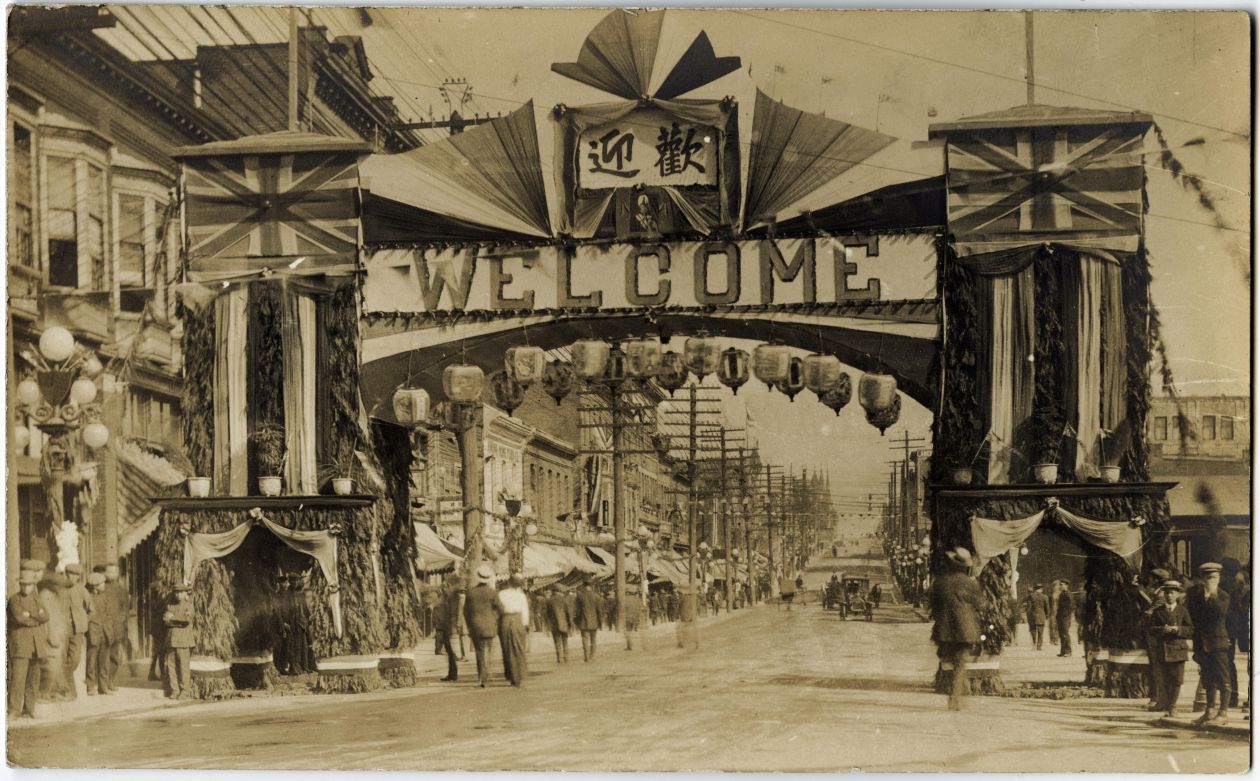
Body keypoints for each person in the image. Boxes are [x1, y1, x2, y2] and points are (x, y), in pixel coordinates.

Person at [930, 547, 984, 711]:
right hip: (966, 630)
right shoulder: (970, 583)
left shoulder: (940, 582)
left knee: (950, 662)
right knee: (961, 664)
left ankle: (956, 693)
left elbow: (933, 604)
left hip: (945, 630)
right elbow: (981, 605)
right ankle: (955, 698)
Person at [1186, 561, 1232, 724]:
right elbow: (1192, 615)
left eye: (1213, 577)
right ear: (1202, 578)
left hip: (1218, 643)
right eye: (1206, 577)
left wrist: (1211, 596)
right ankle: (1210, 711)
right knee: (1207, 678)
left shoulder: (1223, 596)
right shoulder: (1195, 595)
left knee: (1223, 678)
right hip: (1201, 643)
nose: (1210, 581)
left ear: (1219, 578)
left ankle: (1223, 713)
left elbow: (1219, 614)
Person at [8, 564, 50, 719]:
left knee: (33, 679)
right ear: (20, 584)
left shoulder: (37, 599)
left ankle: (29, 709)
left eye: (29, 585)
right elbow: (20, 618)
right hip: (20, 646)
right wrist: (35, 617)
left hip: (36, 645)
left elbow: (46, 616)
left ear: (34, 585)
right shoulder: (14, 600)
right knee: (18, 679)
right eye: (23, 585)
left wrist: (30, 615)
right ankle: (14, 710)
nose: (26, 588)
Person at [1147, 579, 1193, 717]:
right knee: (1165, 679)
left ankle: (1173, 706)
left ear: (1178, 595)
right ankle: (1166, 704)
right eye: (1166, 593)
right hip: (1163, 650)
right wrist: (1162, 629)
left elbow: (1190, 629)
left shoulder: (1183, 611)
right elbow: (1150, 629)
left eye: (1172, 593)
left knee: (1177, 679)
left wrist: (1177, 629)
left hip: (1178, 650)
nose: (1169, 596)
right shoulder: (1157, 612)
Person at [463, 565, 500, 688]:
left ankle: (481, 678)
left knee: (479, 652)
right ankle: (486, 675)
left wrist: (469, 625)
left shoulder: (471, 593)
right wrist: (494, 618)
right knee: (489, 651)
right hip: (490, 626)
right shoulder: (492, 593)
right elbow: (499, 609)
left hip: (476, 626)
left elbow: (466, 611)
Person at [36, 570, 69, 701]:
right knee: (50, 667)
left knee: (56, 666)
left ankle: (53, 692)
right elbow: (48, 619)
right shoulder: (45, 596)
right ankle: (43, 693)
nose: (62, 589)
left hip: (57, 636)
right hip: (50, 637)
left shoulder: (54, 596)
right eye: (59, 586)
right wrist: (52, 637)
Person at [496, 573, 529, 687]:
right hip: (518, 620)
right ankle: (519, 674)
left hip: (504, 620)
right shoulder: (521, 596)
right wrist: (524, 625)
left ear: (508, 582)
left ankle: (511, 675)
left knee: (507, 649)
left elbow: (497, 610)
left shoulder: (501, 594)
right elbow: (525, 612)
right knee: (519, 648)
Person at [63, 563, 91, 699]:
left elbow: (92, 610)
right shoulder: (58, 590)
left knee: (74, 660)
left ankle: (63, 685)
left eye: (76, 575)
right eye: (70, 574)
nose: (73, 577)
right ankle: (71, 692)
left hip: (77, 630)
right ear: (66, 574)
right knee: (62, 659)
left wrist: (83, 621)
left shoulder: (81, 590)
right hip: (61, 630)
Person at [162, 584, 195, 699]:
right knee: (171, 667)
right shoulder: (170, 606)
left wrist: (173, 618)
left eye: (181, 592)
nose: (178, 595)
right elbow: (165, 621)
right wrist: (176, 620)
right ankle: (175, 690)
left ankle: (185, 691)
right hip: (171, 640)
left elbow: (186, 620)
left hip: (184, 641)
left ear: (186, 593)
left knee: (183, 667)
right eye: (176, 592)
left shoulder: (189, 606)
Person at [102, 563, 129, 691]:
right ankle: (102, 682)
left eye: (114, 572)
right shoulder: (100, 588)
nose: (112, 575)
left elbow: (125, 609)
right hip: (103, 627)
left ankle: (110, 681)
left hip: (117, 628)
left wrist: (121, 623)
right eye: (109, 572)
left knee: (114, 656)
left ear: (118, 574)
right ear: (105, 573)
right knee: (102, 655)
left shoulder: (121, 590)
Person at [84, 572, 111, 695]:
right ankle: (90, 687)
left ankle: (103, 687)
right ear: (95, 586)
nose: (104, 585)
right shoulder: (88, 597)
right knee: (91, 661)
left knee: (104, 661)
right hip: (93, 632)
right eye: (102, 583)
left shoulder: (104, 597)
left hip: (105, 632)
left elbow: (108, 614)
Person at [435, 573, 462, 682]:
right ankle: (451, 674)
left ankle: (453, 674)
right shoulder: (451, 595)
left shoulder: (454, 596)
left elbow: (452, 611)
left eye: (447, 584)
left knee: (451, 651)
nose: (446, 586)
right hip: (448, 625)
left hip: (451, 626)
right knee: (449, 651)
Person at [574, 578, 603, 662]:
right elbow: (599, 611)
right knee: (593, 639)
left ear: (584, 585)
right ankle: (592, 656)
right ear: (592, 586)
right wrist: (600, 622)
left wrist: (577, 621)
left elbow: (577, 610)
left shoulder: (580, 596)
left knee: (584, 638)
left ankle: (586, 656)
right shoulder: (596, 596)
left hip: (583, 621)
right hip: (594, 621)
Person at [545, 585, 574, 663]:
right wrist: (570, 624)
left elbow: (547, 614)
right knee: (565, 641)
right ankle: (566, 656)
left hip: (554, 624)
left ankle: (559, 657)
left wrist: (547, 626)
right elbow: (568, 613)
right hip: (564, 623)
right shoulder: (564, 600)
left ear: (553, 592)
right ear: (559, 591)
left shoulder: (549, 601)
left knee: (557, 641)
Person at [1024, 584, 1048, 650]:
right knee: (1040, 632)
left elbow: (1026, 603)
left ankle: (1034, 643)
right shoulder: (1045, 597)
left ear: (1035, 589)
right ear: (1041, 589)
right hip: (1041, 616)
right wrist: (1047, 615)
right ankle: (1039, 646)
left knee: (1033, 631)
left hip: (1032, 616)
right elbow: (1047, 608)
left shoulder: (1031, 596)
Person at [1056, 581, 1075, 657]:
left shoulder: (1068, 594)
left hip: (1065, 617)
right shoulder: (1061, 594)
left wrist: (1067, 614)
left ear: (1066, 585)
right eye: (1060, 585)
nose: (1060, 586)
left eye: (1062, 585)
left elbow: (1071, 606)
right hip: (1060, 616)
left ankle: (1068, 651)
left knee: (1065, 633)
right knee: (1061, 634)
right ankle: (1063, 651)